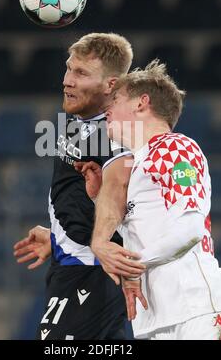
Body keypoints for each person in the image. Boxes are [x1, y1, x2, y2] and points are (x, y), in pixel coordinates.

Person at [86, 60, 221, 340]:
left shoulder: (174, 147)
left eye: (116, 99)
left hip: (200, 309)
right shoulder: (136, 167)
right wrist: (100, 199)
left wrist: (132, 267)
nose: (105, 107)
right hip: (155, 320)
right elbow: (149, 232)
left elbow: (190, 229)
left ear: (142, 103)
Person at [13, 33, 146, 340]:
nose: (67, 81)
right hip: (70, 265)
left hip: (93, 273)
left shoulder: (118, 137)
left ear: (110, 85)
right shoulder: (78, 120)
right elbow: (81, 195)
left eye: (81, 73)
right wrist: (60, 236)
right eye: (69, 69)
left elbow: (121, 200)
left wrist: (90, 241)